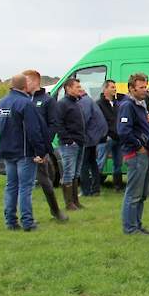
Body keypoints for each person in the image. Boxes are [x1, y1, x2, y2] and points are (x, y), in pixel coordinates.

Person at [0, 74, 50, 231]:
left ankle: (10, 221)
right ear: (24, 86)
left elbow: (0, 128)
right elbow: (34, 130)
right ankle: (27, 222)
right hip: (24, 152)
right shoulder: (26, 103)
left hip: (7, 150)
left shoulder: (2, 102)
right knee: (25, 187)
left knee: (11, 186)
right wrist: (40, 151)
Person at [24, 69, 68, 222]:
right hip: (24, 149)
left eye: (27, 81)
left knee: (45, 182)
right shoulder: (24, 100)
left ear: (36, 81)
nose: (25, 84)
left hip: (40, 149)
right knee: (24, 185)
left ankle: (56, 211)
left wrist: (43, 146)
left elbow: (53, 124)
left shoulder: (48, 101)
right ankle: (25, 216)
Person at [117, 73, 149, 235]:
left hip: (145, 153)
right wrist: (138, 145)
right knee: (133, 193)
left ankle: (137, 225)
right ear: (131, 88)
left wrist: (147, 119)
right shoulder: (127, 105)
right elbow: (123, 131)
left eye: (145, 86)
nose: (144, 90)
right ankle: (130, 228)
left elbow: (136, 125)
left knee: (142, 194)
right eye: (141, 87)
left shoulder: (140, 103)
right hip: (136, 155)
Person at [56, 78, 86, 211]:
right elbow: (59, 124)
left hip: (80, 142)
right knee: (68, 172)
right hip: (69, 144)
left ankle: (75, 201)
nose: (80, 89)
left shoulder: (76, 103)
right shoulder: (62, 104)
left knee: (76, 173)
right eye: (77, 87)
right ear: (68, 88)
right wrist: (69, 140)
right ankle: (69, 203)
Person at [77, 89, 108, 198]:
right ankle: (96, 189)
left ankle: (86, 190)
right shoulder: (89, 100)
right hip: (95, 136)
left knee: (83, 164)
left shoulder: (84, 102)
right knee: (92, 163)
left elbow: (83, 119)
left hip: (89, 137)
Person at [96, 80, 124, 191]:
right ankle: (96, 186)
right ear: (105, 89)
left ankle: (118, 186)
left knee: (118, 163)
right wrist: (105, 135)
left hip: (118, 137)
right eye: (112, 87)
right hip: (106, 138)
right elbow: (99, 122)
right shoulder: (99, 104)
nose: (115, 89)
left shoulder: (117, 103)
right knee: (100, 162)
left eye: (115, 87)